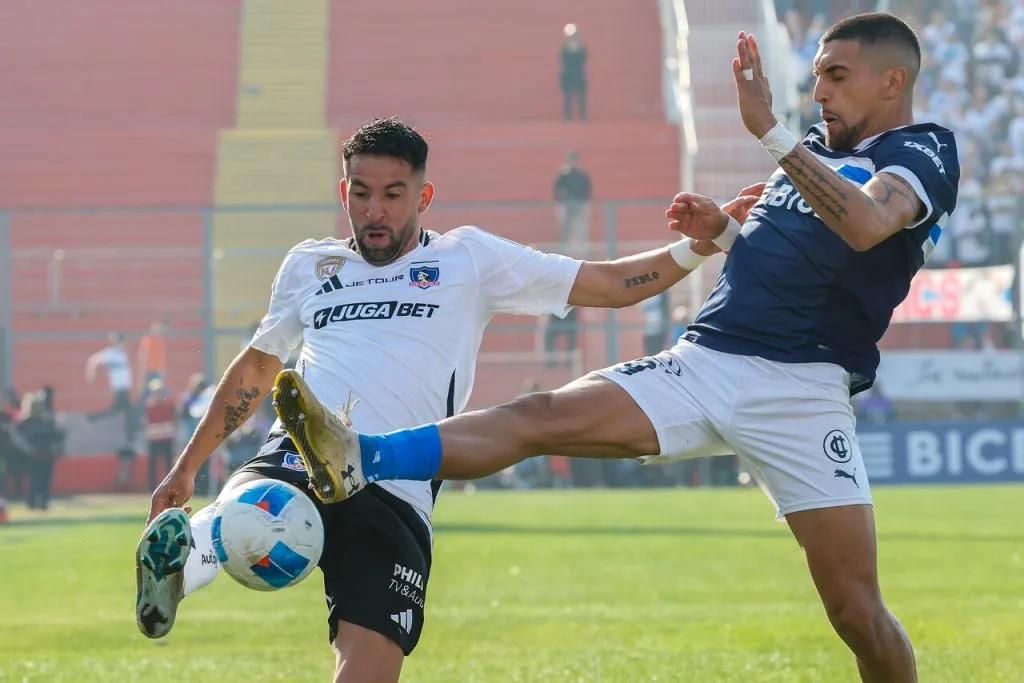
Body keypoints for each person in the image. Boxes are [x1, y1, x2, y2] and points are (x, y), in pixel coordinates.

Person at [272, 15, 958, 683]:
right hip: (704, 362)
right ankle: (361, 455)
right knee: (541, 414)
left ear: (892, 81)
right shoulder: (811, 149)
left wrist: (773, 135)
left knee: (857, 614)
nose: (819, 92)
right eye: (816, 77)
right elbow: (779, 245)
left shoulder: (920, 151)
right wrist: (720, 230)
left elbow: (868, 224)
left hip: (802, 392)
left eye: (836, 76)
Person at [136, 117, 763, 682]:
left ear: (423, 195)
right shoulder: (310, 265)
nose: (373, 210)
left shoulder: (468, 258)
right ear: (343, 191)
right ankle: (183, 561)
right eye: (360, 192)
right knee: (259, 508)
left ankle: (196, 546)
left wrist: (698, 247)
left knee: (369, 672)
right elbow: (257, 367)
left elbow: (611, 284)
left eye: (392, 193)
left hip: (400, 482)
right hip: (303, 453)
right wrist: (186, 465)